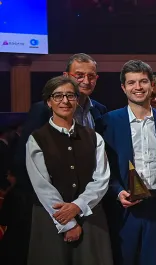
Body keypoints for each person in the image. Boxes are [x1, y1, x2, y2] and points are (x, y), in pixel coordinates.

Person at [101, 60, 156, 265]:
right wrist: (118, 191)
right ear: (123, 87)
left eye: (143, 81)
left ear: (152, 85)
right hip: (124, 206)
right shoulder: (108, 121)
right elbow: (103, 166)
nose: (137, 87)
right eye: (131, 83)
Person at [25, 76, 113, 265]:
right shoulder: (37, 139)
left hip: (90, 218)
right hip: (51, 219)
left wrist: (78, 206)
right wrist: (68, 223)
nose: (64, 101)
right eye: (58, 96)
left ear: (77, 100)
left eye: (70, 96)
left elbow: (102, 179)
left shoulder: (94, 137)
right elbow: (42, 186)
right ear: (49, 102)